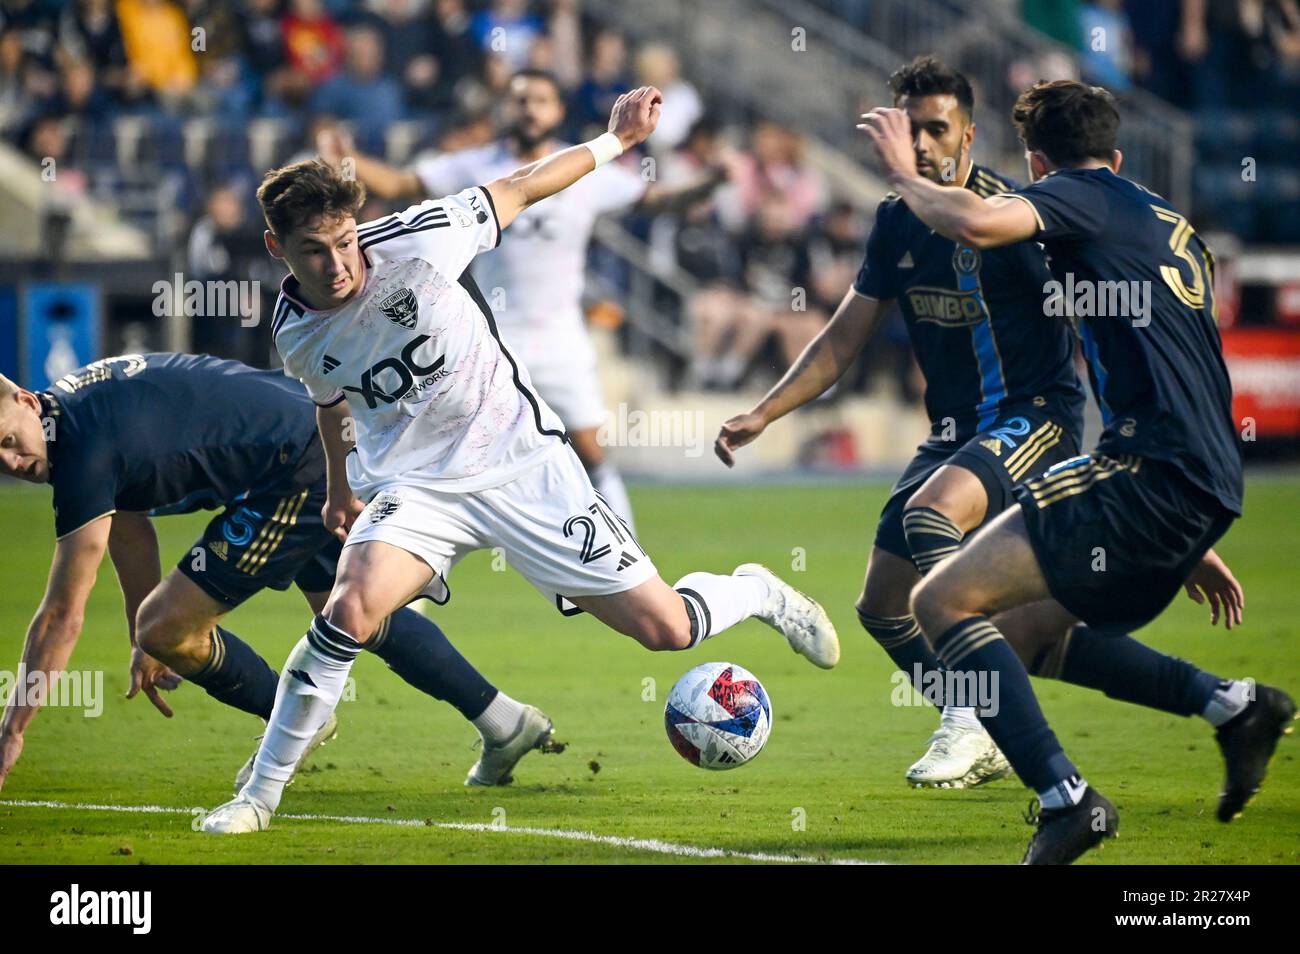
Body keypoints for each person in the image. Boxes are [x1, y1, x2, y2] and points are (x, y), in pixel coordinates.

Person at [200, 86, 839, 834]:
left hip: (523, 466)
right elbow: (330, 402)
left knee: (665, 629)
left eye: (345, 241)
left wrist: (615, 142)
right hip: (420, 489)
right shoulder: (294, 331)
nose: (339, 263)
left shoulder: (420, 238)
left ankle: (758, 592)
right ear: (278, 248)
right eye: (315, 250)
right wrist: (341, 491)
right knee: (350, 608)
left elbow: (521, 185)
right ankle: (259, 798)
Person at [859, 78, 1294, 863]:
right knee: (1023, 637)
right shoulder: (1162, 220)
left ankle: (1070, 802)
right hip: (1197, 475)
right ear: (1119, 153)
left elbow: (984, 220)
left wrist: (903, 172)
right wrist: (1190, 526)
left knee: (941, 598)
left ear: (1036, 163)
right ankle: (1234, 707)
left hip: (1150, 467)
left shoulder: (1078, 199)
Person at [717, 57, 1086, 789]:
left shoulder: (1009, 216)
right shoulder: (895, 222)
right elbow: (841, 341)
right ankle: (987, 717)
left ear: (970, 135)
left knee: (929, 516)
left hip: (1033, 416)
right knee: (882, 607)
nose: (920, 144)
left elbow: (1086, 314)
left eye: (935, 129)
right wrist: (765, 410)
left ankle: (975, 718)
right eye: (907, 128)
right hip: (954, 432)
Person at [0, 355, 557, 795]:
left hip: (294, 467)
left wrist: (11, 732)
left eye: (7, 440)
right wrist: (141, 634)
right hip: (313, 436)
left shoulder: (77, 452)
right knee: (356, 613)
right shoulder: (72, 406)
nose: (10, 462)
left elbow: (61, 614)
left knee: (171, 628)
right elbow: (128, 523)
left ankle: (294, 720)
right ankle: (506, 723)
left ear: (25, 401)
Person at [319, 68, 729, 531]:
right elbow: (398, 184)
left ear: (557, 110)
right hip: (491, 336)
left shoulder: (585, 167)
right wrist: (346, 158)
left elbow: (656, 201)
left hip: (561, 336)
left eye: (540, 99)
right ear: (505, 109)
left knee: (591, 450)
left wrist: (711, 184)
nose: (529, 109)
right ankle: (424, 549)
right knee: (460, 449)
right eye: (520, 100)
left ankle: (628, 553)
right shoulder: (475, 165)